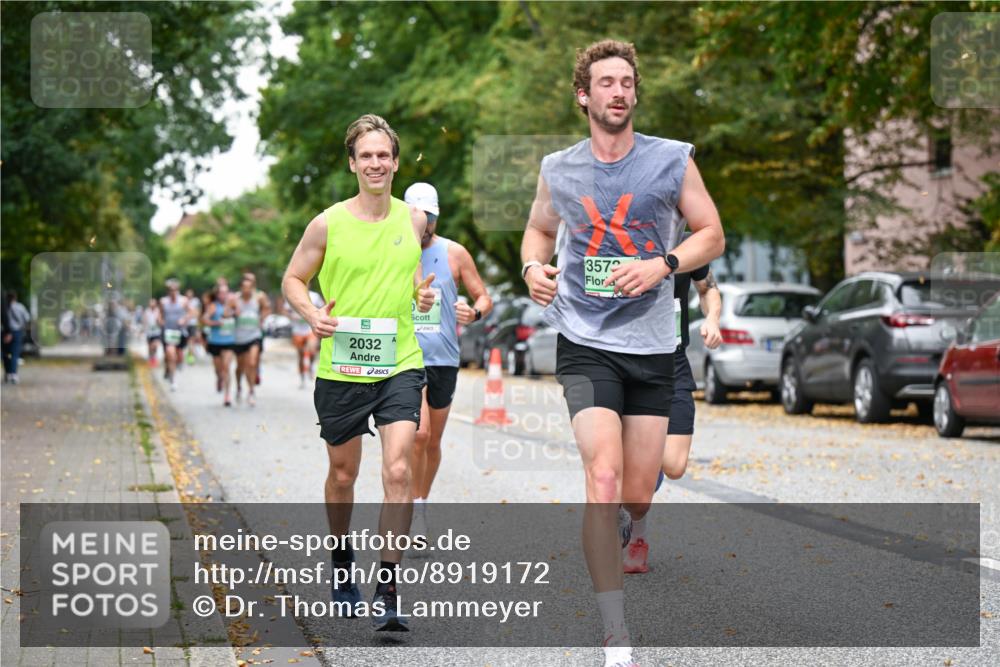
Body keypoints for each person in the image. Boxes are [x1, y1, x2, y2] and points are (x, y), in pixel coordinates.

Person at [520, 40, 724, 667]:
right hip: (585, 341)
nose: (617, 91)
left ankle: (633, 521)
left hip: (654, 345)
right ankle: (616, 633)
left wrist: (662, 264)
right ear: (584, 95)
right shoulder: (560, 167)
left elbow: (710, 233)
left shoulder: (671, 160)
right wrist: (533, 266)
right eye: (605, 82)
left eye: (626, 82)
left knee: (637, 491)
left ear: (635, 94)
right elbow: (539, 229)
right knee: (602, 477)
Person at [282, 114, 436, 632]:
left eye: (383, 155)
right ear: (353, 163)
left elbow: (411, 272)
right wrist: (311, 313)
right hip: (343, 364)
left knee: (397, 471)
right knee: (344, 474)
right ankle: (342, 561)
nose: (375, 163)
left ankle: (387, 587)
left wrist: (421, 294)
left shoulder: (413, 220)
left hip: (399, 361)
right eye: (365, 155)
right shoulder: (327, 223)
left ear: (395, 162)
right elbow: (293, 279)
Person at [621, 236, 723, 574]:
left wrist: (712, 320)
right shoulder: (619, 240)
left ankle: (632, 492)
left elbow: (708, 289)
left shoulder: (686, 247)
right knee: (632, 462)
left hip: (673, 364)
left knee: (674, 465)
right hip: (627, 362)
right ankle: (637, 534)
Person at [404, 181, 492, 542]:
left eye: (429, 217)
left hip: (443, 358)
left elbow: (483, 296)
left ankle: (421, 502)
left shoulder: (454, 253)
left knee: (433, 441)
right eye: (418, 216)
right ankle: (410, 506)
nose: (424, 224)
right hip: (405, 357)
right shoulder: (392, 251)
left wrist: (474, 313)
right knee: (418, 435)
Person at [229, 274, 270, 407]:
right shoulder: (235, 298)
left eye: (249, 287)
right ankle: (239, 386)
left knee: (251, 363)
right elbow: (225, 313)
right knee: (240, 367)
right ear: (241, 288)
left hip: (254, 335)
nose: (247, 290)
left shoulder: (259, 297)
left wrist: (262, 318)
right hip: (239, 337)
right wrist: (233, 313)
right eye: (244, 287)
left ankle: (251, 391)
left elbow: (267, 308)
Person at [203, 284, 237, 406]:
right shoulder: (213, 306)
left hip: (229, 341)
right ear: (217, 295)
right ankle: (219, 378)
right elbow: (204, 319)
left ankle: (227, 396)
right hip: (215, 342)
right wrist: (215, 323)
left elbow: (239, 315)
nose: (224, 295)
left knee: (227, 368)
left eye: (226, 292)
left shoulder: (233, 305)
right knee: (219, 370)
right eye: (221, 293)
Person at [159, 279, 191, 391]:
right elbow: (160, 315)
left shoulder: (184, 301)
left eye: (175, 290)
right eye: (171, 290)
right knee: (170, 353)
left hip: (180, 332)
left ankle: (171, 368)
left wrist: (184, 319)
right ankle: (173, 380)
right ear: (168, 291)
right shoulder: (163, 302)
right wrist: (161, 321)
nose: (173, 292)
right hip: (168, 332)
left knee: (177, 355)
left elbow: (191, 313)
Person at [290, 288, 324, 389]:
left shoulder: (314, 296)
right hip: (297, 330)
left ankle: (311, 367)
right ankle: (302, 378)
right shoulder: (293, 294)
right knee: (300, 355)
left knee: (312, 351)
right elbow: (286, 309)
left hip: (310, 329)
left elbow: (322, 307)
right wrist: (292, 316)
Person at [3, 290, 31, 384]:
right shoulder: (20, 307)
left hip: (5, 332)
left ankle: (8, 373)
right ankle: (14, 374)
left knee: (6, 354)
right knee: (14, 354)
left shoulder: (4, 307)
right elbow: (27, 318)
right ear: (15, 297)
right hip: (16, 332)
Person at [143, 298, 163, 368]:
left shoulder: (158, 311)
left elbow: (160, 321)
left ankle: (154, 358)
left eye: (153, 303)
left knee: (154, 346)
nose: (152, 304)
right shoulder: (147, 311)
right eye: (151, 303)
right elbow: (144, 321)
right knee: (150, 347)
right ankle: (151, 358)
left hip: (156, 332)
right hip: (149, 332)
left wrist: (159, 321)